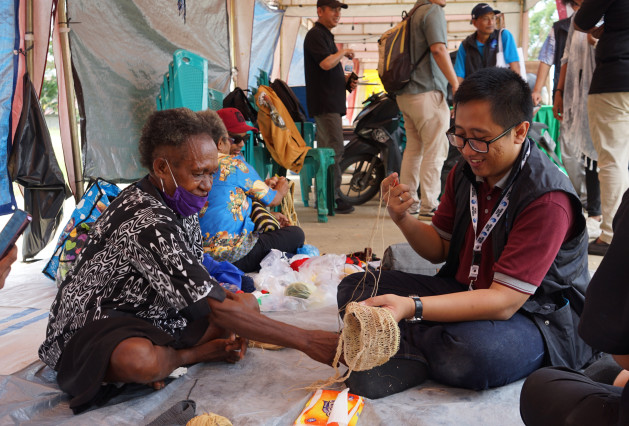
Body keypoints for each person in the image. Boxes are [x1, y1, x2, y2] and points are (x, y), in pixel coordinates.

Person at [38, 108, 338, 414]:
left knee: (245, 305)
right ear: (161, 167)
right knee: (141, 360)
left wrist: (231, 301)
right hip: (94, 324)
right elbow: (213, 305)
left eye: (211, 172)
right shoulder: (146, 220)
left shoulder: (180, 202)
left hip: (152, 313)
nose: (207, 184)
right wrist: (309, 341)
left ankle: (176, 357)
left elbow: (201, 279)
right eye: (198, 173)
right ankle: (188, 356)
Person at [337, 68, 593, 399]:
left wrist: (412, 307)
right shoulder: (464, 172)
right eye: (459, 134)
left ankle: (403, 346)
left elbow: (503, 302)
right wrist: (403, 218)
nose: (469, 149)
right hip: (465, 288)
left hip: (535, 318)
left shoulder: (547, 198)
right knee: (355, 286)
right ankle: (421, 345)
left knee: (473, 353)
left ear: (520, 132)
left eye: (481, 138)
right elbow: (439, 249)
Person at [520, 189, 629, 426]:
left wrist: (418, 306)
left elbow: (607, 333)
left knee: (541, 385)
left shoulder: (550, 195)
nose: (469, 151)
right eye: (460, 146)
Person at [197, 108, 304, 273]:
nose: (241, 144)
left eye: (245, 139)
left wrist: (269, 212)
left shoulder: (193, 165)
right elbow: (273, 200)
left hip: (198, 257)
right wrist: (282, 188)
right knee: (296, 234)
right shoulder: (234, 164)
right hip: (234, 258)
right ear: (220, 143)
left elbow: (223, 205)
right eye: (236, 139)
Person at [394, 0, 459, 220]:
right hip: (427, 92)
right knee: (435, 150)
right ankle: (430, 205)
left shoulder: (412, 14)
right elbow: (438, 49)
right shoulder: (432, 11)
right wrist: (455, 84)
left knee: (413, 150)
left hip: (406, 93)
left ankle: (409, 203)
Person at [574, 0, 629, 257]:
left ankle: (612, 235)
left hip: (615, 79)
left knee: (613, 160)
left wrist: (606, 24)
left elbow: (581, 21)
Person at [304, 0, 358, 214]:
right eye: (333, 9)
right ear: (320, 11)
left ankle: (329, 197)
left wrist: (344, 80)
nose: (337, 13)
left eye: (339, 10)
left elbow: (328, 69)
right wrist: (343, 52)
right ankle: (330, 198)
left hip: (330, 104)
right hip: (325, 105)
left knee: (333, 151)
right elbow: (325, 63)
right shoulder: (316, 35)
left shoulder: (325, 36)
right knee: (332, 151)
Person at [454, 3, 523, 83]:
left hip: (501, 90)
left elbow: (515, 67)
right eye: (485, 19)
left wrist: (519, 92)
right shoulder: (466, 45)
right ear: (475, 22)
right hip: (476, 92)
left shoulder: (503, 36)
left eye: (493, 18)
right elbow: (459, 76)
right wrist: (457, 93)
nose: (491, 22)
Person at [530, 1, 575, 105]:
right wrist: (537, 91)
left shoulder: (602, 26)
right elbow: (546, 60)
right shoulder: (559, 28)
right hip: (565, 90)